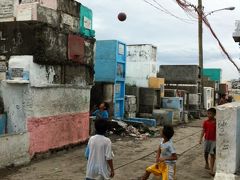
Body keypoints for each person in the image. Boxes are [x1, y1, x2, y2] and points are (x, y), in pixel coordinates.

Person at [199, 108, 216, 176]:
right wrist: (200, 139)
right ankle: (206, 163)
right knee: (206, 153)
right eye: (208, 113)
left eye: (210, 113)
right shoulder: (205, 122)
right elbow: (203, 131)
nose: (208, 115)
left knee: (212, 154)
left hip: (214, 141)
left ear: (214, 114)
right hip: (206, 139)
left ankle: (211, 170)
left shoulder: (216, 122)